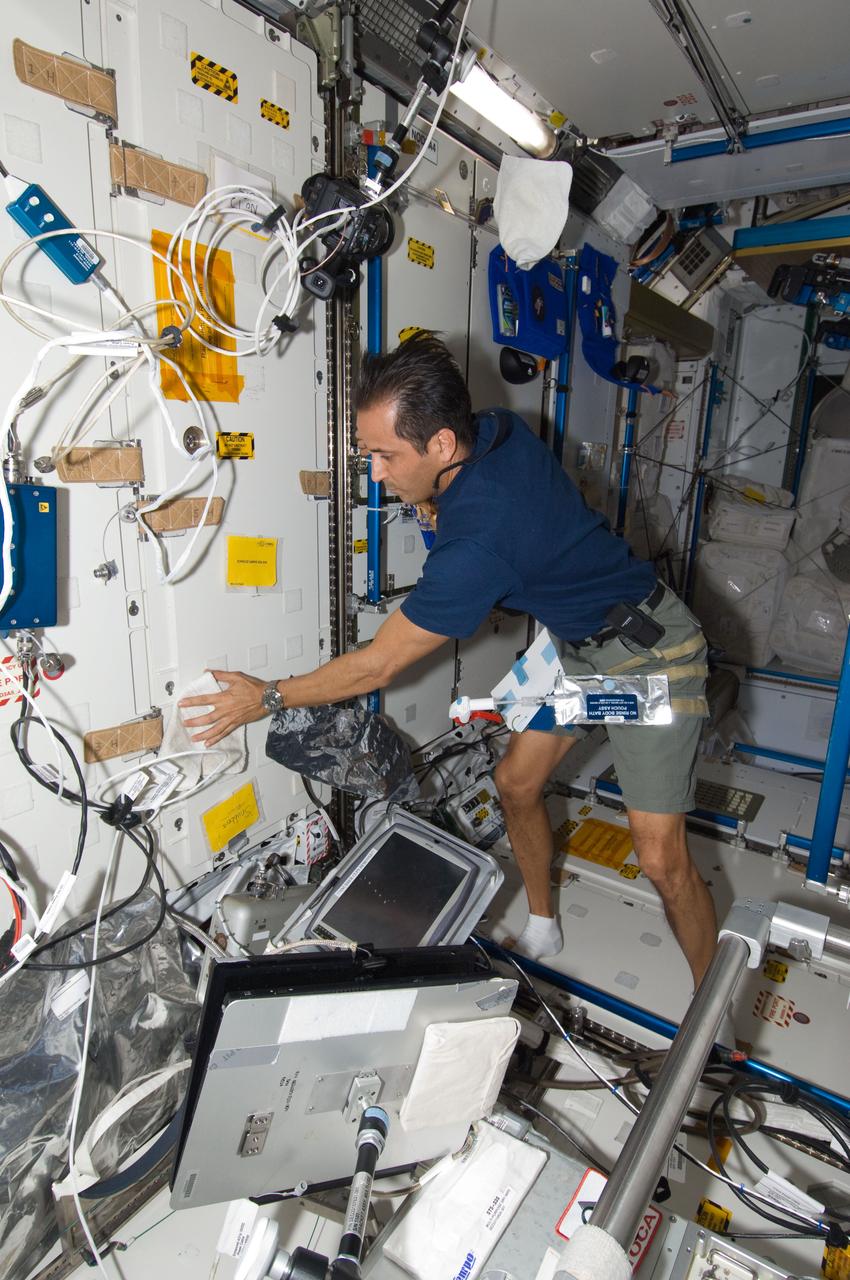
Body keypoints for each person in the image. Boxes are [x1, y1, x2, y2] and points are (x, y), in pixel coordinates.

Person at [181, 334, 715, 987]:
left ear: (439, 445)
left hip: (649, 659)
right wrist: (428, 506)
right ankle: (544, 925)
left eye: (384, 455)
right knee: (517, 784)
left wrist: (266, 696)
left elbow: (378, 666)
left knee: (661, 859)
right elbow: (452, 513)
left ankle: (715, 1025)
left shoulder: (481, 543)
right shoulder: (495, 430)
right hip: (581, 647)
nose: (375, 472)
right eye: (368, 451)